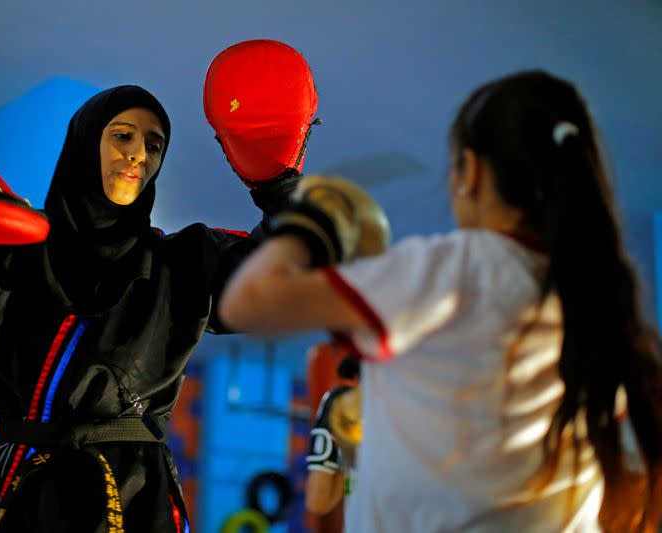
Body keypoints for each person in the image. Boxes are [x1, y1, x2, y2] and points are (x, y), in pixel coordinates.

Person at [0, 40, 319, 533]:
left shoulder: (183, 261)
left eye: (154, 144)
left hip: (135, 499)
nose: (138, 155)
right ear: (84, 142)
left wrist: (280, 187)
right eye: (122, 135)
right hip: (24, 498)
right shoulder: (8, 249)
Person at [219, 70, 662, 532]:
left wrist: (305, 218)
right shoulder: (594, 299)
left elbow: (249, 300)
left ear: (470, 173)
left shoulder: (449, 269)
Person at [306, 355, 360, 517]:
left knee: (318, 506)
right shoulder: (350, 396)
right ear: (358, 376)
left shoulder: (329, 395)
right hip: (332, 453)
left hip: (323, 451)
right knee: (318, 505)